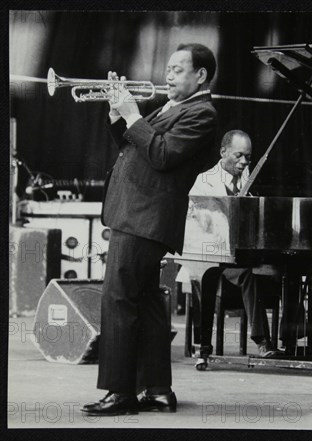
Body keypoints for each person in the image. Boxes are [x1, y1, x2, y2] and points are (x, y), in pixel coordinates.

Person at [81, 43, 218, 416]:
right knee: (146, 302)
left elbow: (162, 155)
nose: (167, 76)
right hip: (138, 214)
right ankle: (158, 390)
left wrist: (133, 115)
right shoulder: (174, 107)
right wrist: (117, 114)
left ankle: (120, 391)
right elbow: (132, 149)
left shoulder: (201, 113)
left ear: (200, 75)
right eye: (168, 69)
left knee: (119, 299)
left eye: (176, 69)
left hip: (145, 217)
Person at [188, 130, 283, 357]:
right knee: (248, 274)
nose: (243, 162)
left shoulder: (251, 178)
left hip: (244, 252)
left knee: (288, 267)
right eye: (238, 156)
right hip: (214, 256)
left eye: (248, 158)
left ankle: (293, 335)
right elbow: (197, 223)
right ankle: (262, 341)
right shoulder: (203, 181)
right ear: (223, 152)